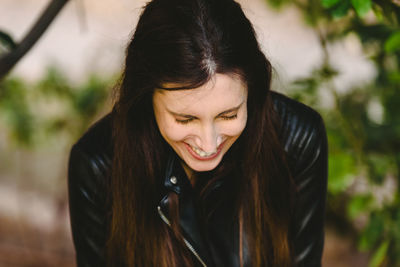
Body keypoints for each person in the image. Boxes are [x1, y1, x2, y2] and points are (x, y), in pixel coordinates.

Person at [67, 0, 328, 266]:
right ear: (146, 97)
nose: (208, 143)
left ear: (252, 89)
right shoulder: (98, 166)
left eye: (229, 115)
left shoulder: (298, 139)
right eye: (185, 119)